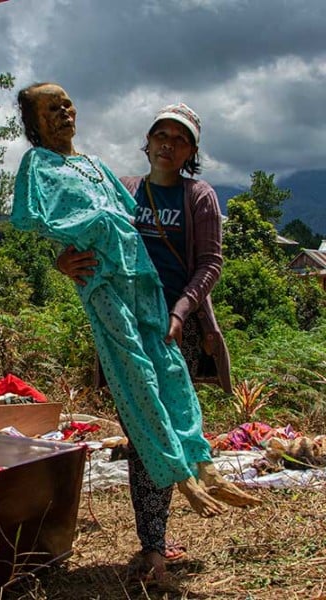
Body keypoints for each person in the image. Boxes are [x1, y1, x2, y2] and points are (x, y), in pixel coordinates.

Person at [54, 99, 261, 580]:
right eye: (161, 135)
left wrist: (181, 313)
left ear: (191, 151)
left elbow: (210, 264)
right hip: (124, 328)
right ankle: (153, 545)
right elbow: (87, 239)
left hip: (174, 330)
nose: (168, 144)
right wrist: (64, 262)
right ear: (147, 142)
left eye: (180, 138)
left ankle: (155, 543)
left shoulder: (199, 196)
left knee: (165, 426)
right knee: (142, 434)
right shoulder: (124, 190)